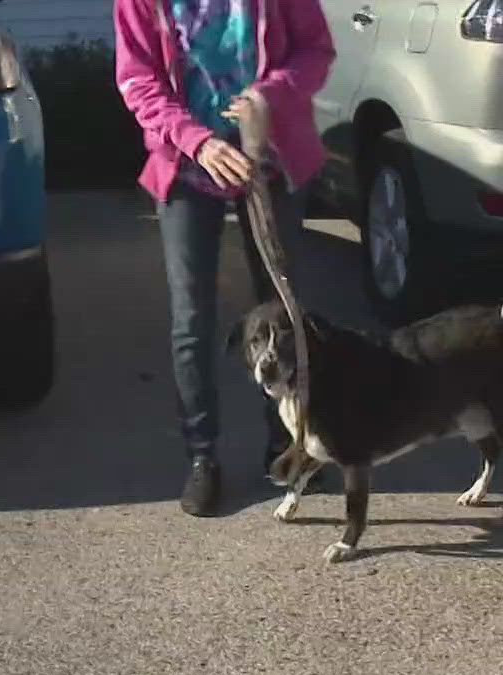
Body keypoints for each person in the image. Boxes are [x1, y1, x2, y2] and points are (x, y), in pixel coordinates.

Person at [115, 0, 334, 516]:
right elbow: (138, 79)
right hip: (188, 165)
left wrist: (268, 95)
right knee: (192, 318)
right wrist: (198, 141)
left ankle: (285, 444)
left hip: (271, 161)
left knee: (283, 307)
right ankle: (203, 457)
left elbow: (315, 51)